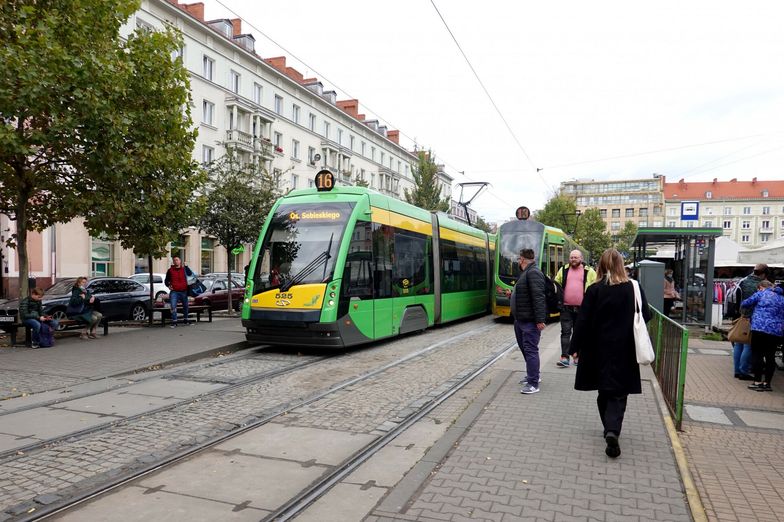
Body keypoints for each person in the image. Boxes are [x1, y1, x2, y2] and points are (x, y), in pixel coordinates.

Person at [570, 248, 651, 458]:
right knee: (619, 392)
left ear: (601, 266)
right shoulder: (634, 288)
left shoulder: (594, 289)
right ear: (621, 265)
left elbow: (582, 321)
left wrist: (574, 348)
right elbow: (647, 315)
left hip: (597, 349)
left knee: (604, 391)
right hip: (625, 347)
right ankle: (612, 430)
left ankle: (609, 428)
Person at [510, 248, 547, 394]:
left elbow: (538, 297)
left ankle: (533, 383)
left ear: (523, 259)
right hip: (521, 319)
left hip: (529, 321)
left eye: (519, 259)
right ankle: (533, 376)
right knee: (526, 349)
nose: (518, 261)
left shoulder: (533, 273)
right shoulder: (527, 273)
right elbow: (526, 295)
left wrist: (540, 320)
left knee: (531, 350)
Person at [553, 250, 596, 367]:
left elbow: (596, 286)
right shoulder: (563, 270)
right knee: (565, 332)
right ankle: (564, 357)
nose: (573, 259)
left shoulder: (590, 271)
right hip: (566, 308)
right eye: (571, 257)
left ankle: (577, 356)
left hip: (583, 309)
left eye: (576, 257)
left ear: (581, 258)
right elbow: (556, 284)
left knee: (580, 333)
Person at [741, 280, 784, 392]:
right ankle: (767, 384)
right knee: (770, 357)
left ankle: (757, 382)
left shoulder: (761, 293)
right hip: (776, 331)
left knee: (757, 355)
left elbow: (745, 303)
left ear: (761, 287)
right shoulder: (782, 297)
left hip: (759, 328)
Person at [733, 263, 768, 380]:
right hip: (754, 317)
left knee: (739, 343)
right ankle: (743, 371)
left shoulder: (743, 281)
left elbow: (736, 298)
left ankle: (737, 370)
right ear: (763, 273)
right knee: (748, 345)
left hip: (742, 315)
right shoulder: (761, 285)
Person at [164, 256, 193, 328]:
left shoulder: (184, 269)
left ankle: (186, 320)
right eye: (174, 260)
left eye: (177, 260)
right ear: (173, 262)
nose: (176, 261)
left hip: (184, 291)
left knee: (185, 306)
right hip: (174, 291)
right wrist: (168, 285)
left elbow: (190, 274)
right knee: (173, 306)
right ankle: (174, 322)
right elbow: (166, 280)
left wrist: (186, 266)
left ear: (180, 261)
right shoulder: (170, 270)